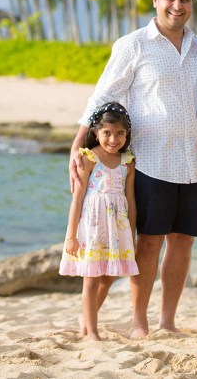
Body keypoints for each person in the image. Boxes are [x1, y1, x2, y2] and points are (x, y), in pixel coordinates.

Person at [69, 0, 197, 339]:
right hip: (151, 160)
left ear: (191, 4)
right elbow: (103, 96)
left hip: (195, 161)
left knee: (182, 243)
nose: (177, 6)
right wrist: (78, 143)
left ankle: (168, 320)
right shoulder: (133, 44)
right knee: (148, 243)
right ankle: (139, 320)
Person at [60, 102, 138, 341]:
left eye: (119, 133)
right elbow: (77, 200)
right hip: (93, 228)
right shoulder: (88, 158)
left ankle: (86, 320)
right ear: (95, 133)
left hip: (118, 228)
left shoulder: (128, 161)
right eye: (107, 133)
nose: (113, 139)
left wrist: (132, 237)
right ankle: (92, 332)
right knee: (91, 279)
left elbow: (130, 201)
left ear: (127, 134)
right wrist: (71, 237)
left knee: (108, 277)